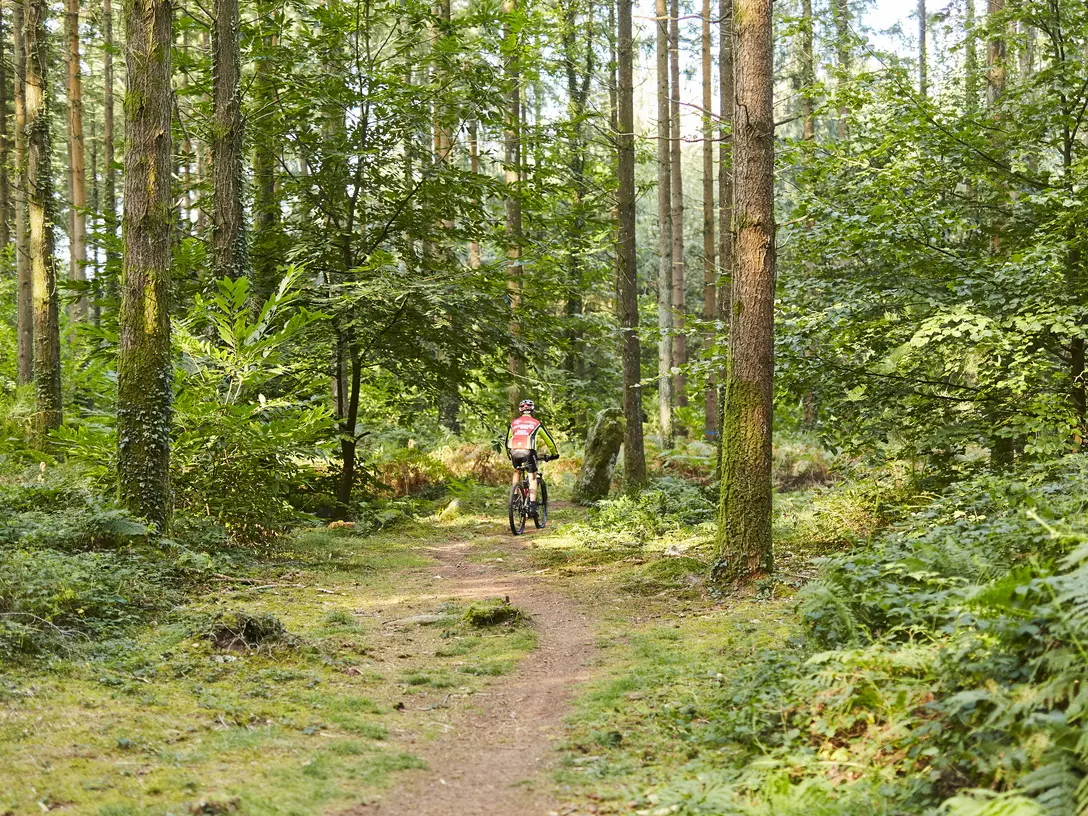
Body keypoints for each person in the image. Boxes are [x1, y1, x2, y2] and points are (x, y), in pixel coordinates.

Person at [506, 399, 559, 518]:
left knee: (517, 471)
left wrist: (510, 454)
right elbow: (549, 441)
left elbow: (507, 440)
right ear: (532, 410)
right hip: (528, 451)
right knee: (533, 477)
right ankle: (532, 506)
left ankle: (514, 499)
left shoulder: (514, 423)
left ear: (520, 411)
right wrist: (554, 454)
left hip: (514, 451)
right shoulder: (536, 423)